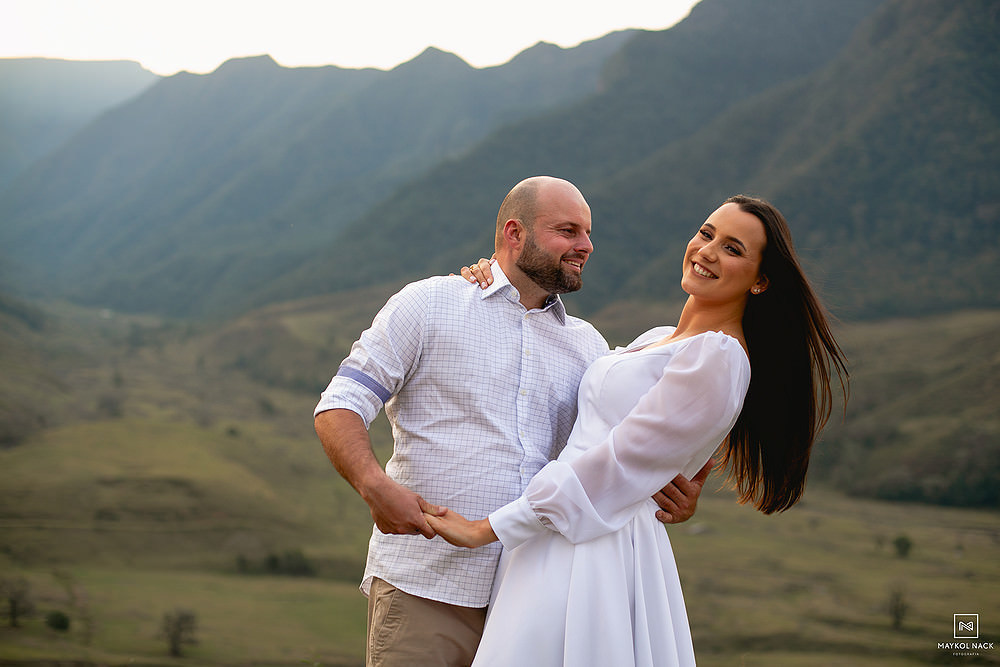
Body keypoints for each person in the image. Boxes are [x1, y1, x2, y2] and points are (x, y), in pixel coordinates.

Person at [426, 195, 849, 666]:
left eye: (733, 249)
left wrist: (487, 529)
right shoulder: (658, 340)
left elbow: (617, 464)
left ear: (761, 280)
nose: (707, 251)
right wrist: (497, 277)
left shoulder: (718, 358)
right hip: (552, 537)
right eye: (707, 234)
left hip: (593, 551)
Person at [313, 176, 710, 667]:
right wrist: (373, 485)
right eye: (567, 231)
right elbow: (341, 402)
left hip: (539, 601)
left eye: (586, 233)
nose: (585, 245)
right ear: (514, 233)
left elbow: (603, 462)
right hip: (428, 587)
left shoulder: (589, 348)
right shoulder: (429, 304)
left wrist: (668, 493)